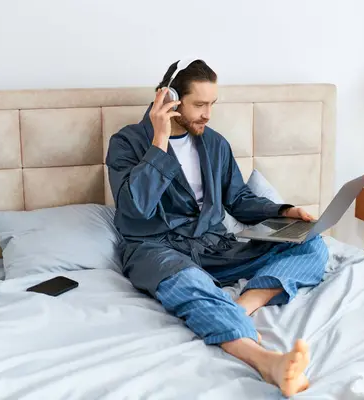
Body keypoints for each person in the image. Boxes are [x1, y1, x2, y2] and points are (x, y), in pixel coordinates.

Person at [105, 59, 328, 397]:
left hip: (216, 246)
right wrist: (160, 140)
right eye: (199, 105)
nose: (207, 114)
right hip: (156, 248)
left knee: (313, 244)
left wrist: (284, 211)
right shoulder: (127, 143)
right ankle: (268, 362)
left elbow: (237, 199)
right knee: (190, 283)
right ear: (170, 100)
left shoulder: (215, 144)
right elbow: (135, 208)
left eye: (212, 105)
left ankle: (243, 305)